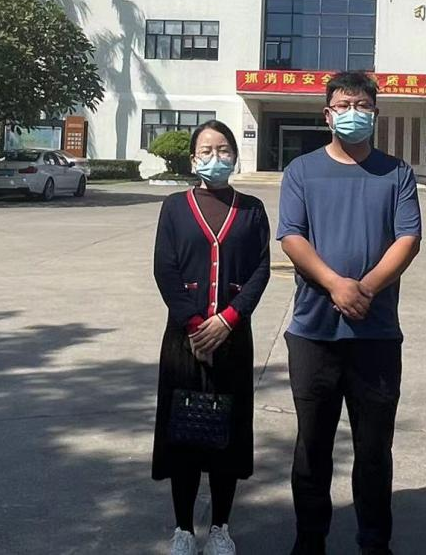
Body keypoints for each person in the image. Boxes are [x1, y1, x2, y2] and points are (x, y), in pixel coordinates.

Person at [277, 71, 422, 555]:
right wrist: (336, 284)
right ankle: (309, 540)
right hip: (314, 333)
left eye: (361, 105)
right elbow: (292, 236)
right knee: (312, 448)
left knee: (374, 450)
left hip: (376, 335)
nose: (352, 113)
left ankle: (374, 541)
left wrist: (366, 289)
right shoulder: (301, 171)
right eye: (343, 105)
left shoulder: (397, 173)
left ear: (375, 114)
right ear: (327, 114)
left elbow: (408, 239)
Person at [153, 120, 272, 555]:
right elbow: (165, 268)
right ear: (192, 158)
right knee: (184, 431)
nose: (215, 157)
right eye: (206, 150)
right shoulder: (174, 207)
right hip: (184, 340)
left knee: (227, 433)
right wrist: (193, 324)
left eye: (223, 150)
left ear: (235, 156)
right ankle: (184, 529)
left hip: (233, 337)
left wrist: (229, 318)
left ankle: (221, 526)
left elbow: (261, 269)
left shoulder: (251, 209)